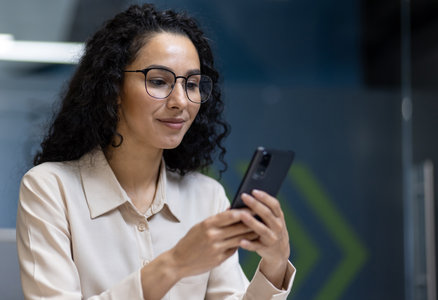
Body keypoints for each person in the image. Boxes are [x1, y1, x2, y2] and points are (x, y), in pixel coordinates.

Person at [16, 4, 296, 300]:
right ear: (113, 88)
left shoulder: (206, 196)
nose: (181, 101)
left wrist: (275, 264)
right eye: (159, 81)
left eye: (192, 84)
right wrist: (174, 265)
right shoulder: (49, 189)